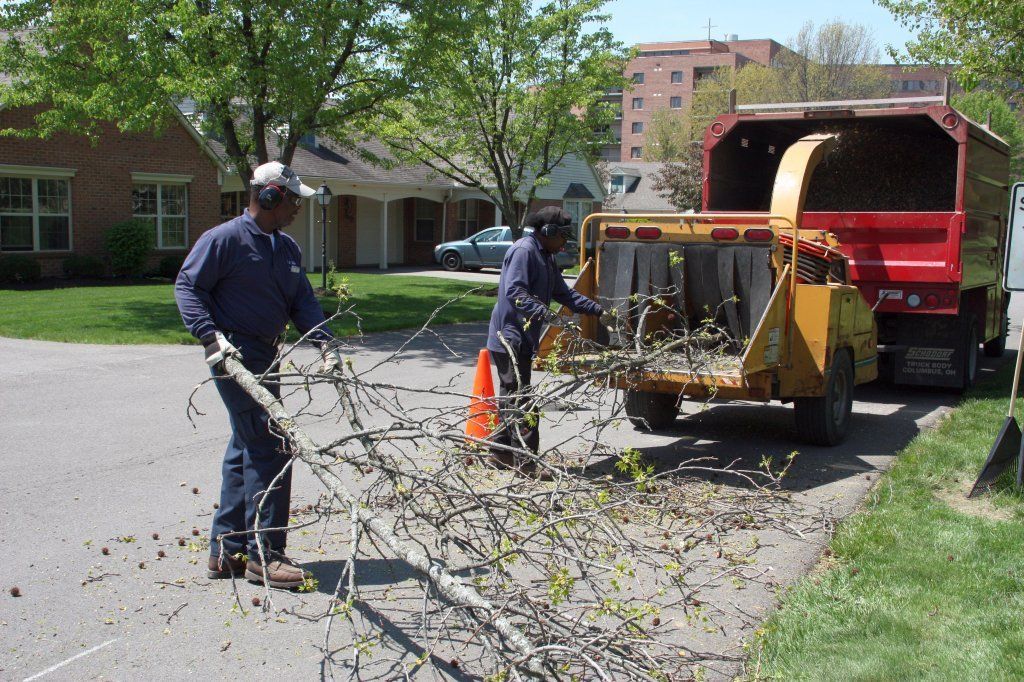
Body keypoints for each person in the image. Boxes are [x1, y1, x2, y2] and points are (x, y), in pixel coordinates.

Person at [175, 161, 341, 589]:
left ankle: (226, 551)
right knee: (273, 446)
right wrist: (210, 338)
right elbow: (188, 287)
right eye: (292, 201)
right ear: (269, 196)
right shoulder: (224, 240)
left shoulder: (285, 248)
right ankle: (265, 556)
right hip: (235, 355)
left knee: (245, 448)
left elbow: (301, 301)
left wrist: (325, 342)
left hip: (267, 355)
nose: (297, 209)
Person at [486, 206, 607, 479]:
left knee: (512, 396)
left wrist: (598, 310)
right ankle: (526, 463)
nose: (566, 242)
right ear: (548, 232)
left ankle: (499, 453)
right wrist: (546, 313)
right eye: (562, 236)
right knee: (523, 401)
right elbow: (515, 291)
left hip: (523, 337)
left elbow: (565, 294)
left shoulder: (547, 257)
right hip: (510, 336)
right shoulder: (524, 251)